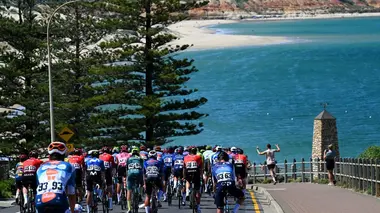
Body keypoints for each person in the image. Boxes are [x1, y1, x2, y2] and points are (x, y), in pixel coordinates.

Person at [35, 141, 76, 213]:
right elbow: (71, 192)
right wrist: (72, 210)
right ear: (64, 155)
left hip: (40, 199)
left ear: (49, 155)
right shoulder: (69, 166)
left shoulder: (40, 168)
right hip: (58, 199)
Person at [183, 147, 203, 213]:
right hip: (196, 173)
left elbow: (184, 167)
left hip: (188, 172)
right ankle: (198, 206)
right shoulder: (198, 157)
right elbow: (200, 168)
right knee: (197, 190)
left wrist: (184, 176)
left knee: (187, 181)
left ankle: (187, 193)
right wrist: (201, 176)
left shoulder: (185, 157)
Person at [126, 147, 144, 213]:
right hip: (138, 173)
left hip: (130, 173)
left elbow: (127, 169)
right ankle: (140, 194)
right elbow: (142, 168)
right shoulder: (140, 158)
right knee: (141, 183)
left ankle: (129, 208)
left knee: (129, 190)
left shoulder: (128, 159)